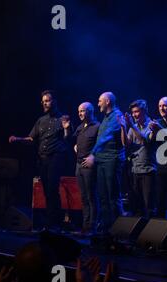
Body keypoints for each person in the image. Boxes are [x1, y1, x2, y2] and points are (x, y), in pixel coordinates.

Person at [9, 90, 72, 230]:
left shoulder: (63, 118)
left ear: (54, 101)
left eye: (47, 100)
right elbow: (32, 139)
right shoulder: (41, 120)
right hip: (42, 158)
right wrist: (18, 139)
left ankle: (53, 222)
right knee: (46, 190)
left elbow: (67, 139)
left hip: (56, 156)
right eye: (43, 101)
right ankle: (53, 221)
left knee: (52, 188)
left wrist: (66, 129)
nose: (45, 103)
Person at [82, 92, 126, 234]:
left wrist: (92, 154)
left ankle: (118, 230)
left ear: (107, 101)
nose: (98, 103)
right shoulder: (105, 118)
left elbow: (105, 138)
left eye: (100, 101)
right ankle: (107, 229)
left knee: (113, 196)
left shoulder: (116, 116)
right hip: (102, 161)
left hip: (112, 160)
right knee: (103, 197)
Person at [124, 99, 157, 218]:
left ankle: (151, 234)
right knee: (136, 206)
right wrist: (124, 126)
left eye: (137, 112)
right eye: (133, 112)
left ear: (144, 111)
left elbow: (145, 141)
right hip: (135, 170)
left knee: (149, 206)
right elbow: (126, 143)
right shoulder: (133, 126)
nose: (134, 115)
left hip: (148, 171)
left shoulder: (152, 125)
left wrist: (131, 125)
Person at [73, 102, 100, 235]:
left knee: (91, 196)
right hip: (78, 165)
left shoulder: (97, 126)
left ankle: (92, 226)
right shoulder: (79, 127)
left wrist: (93, 157)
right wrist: (75, 146)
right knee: (83, 197)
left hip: (88, 166)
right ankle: (85, 226)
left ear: (90, 111)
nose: (80, 113)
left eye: (82, 111)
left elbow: (100, 146)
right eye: (79, 111)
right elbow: (73, 141)